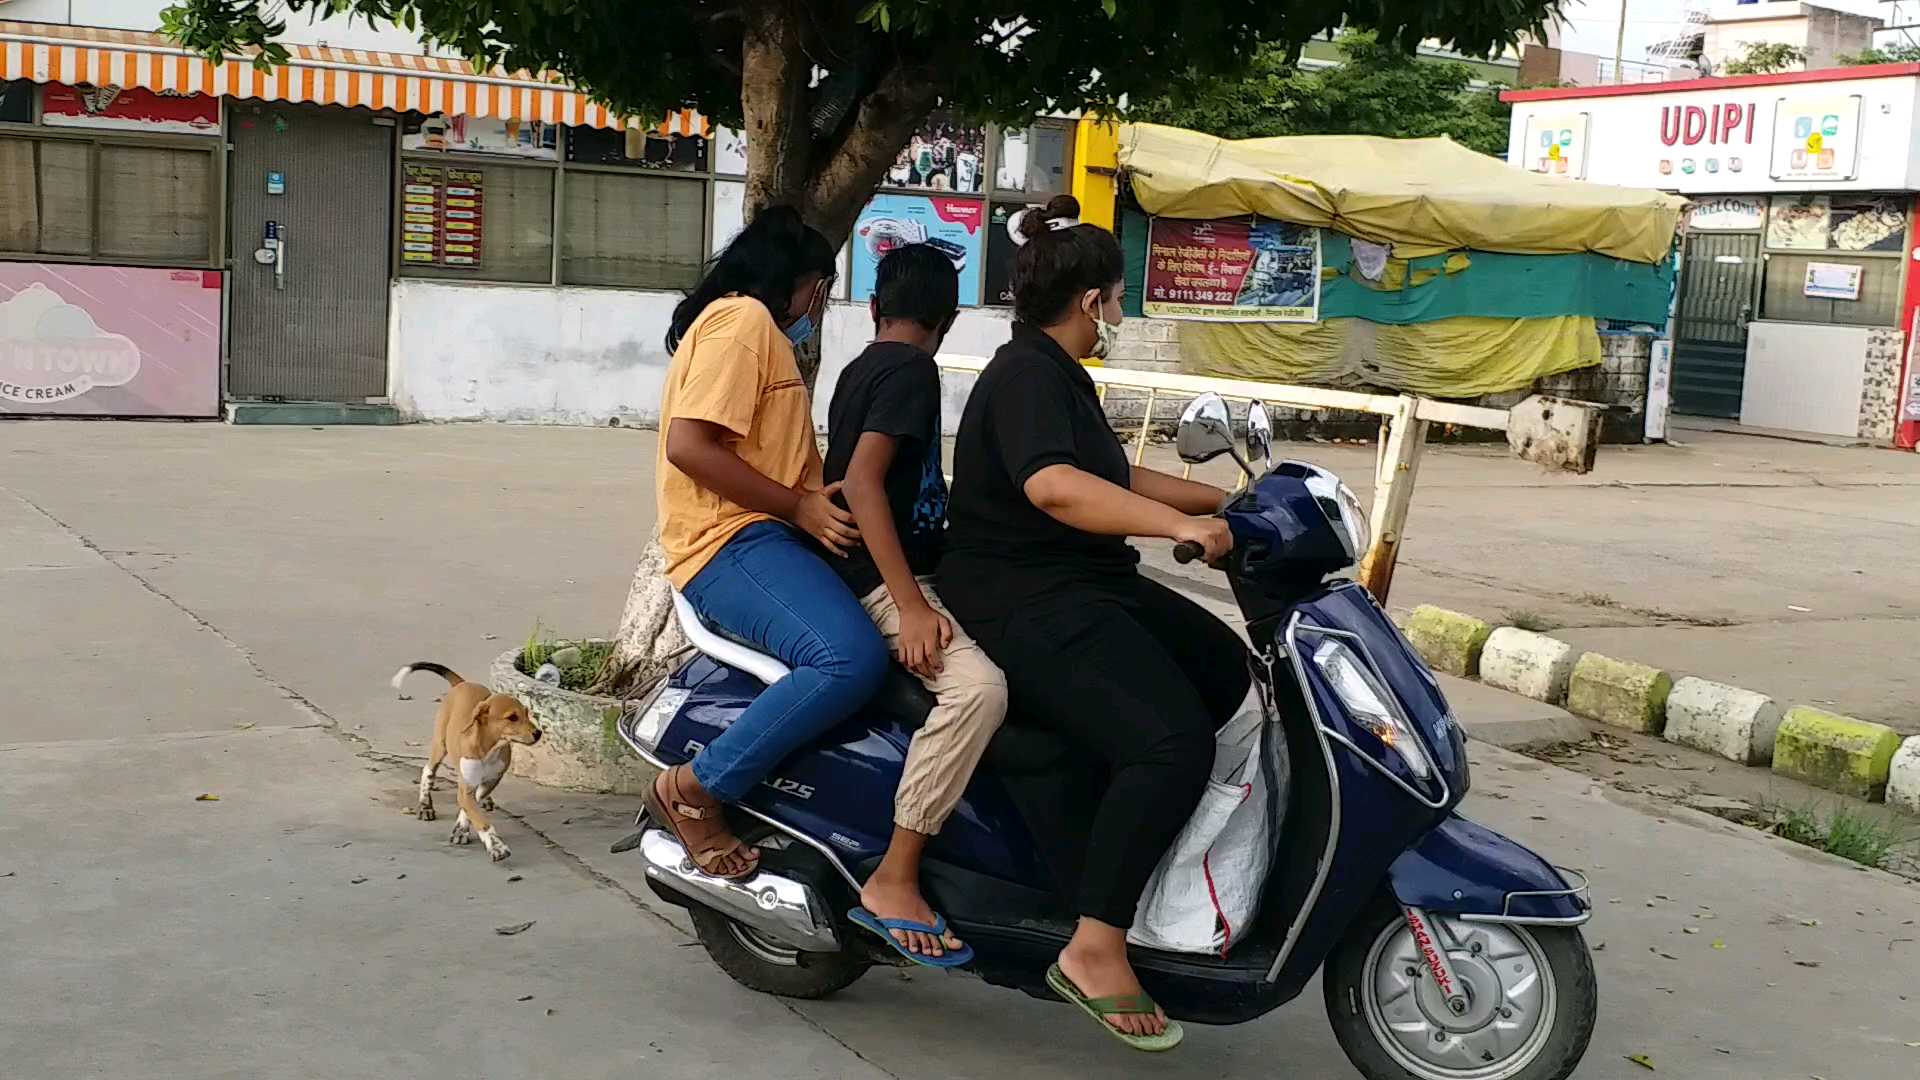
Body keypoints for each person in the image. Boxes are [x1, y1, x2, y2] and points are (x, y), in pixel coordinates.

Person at [937, 196, 1250, 1051]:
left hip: (1082, 584)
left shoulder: (1052, 371)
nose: (1120, 312)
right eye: (1117, 297)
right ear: (1091, 302)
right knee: (1170, 744)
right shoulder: (1028, 376)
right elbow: (1054, 487)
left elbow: (1117, 475)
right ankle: (1095, 943)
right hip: (1025, 598)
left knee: (1228, 673)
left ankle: (1149, 868)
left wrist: (1235, 504)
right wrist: (1181, 530)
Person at [646, 206, 889, 882]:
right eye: (823, 288)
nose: (823, 304)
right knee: (847, 660)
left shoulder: (753, 330)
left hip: (766, 537)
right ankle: (692, 791)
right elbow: (690, 446)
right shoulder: (744, 322)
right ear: (802, 281)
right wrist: (799, 507)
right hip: (729, 543)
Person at [822, 245, 1009, 966]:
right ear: (949, 318)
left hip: (900, 566)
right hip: (883, 579)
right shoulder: (910, 370)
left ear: (875, 307)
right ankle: (895, 877)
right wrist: (909, 603)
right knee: (978, 692)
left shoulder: (863, 365)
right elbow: (866, 484)